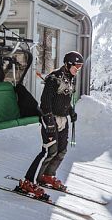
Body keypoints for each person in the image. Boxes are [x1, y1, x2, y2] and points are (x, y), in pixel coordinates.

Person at [18, 51, 83, 198]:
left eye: (80, 66)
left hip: (62, 119)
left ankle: (47, 175)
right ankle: (29, 181)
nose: (78, 69)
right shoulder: (54, 78)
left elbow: (65, 99)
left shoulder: (70, 78)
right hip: (50, 118)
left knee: (61, 151)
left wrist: (71, 112)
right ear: (68, 64)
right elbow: (45, 102)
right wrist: (49, 120)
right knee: (48, 151)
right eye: (76, 66)